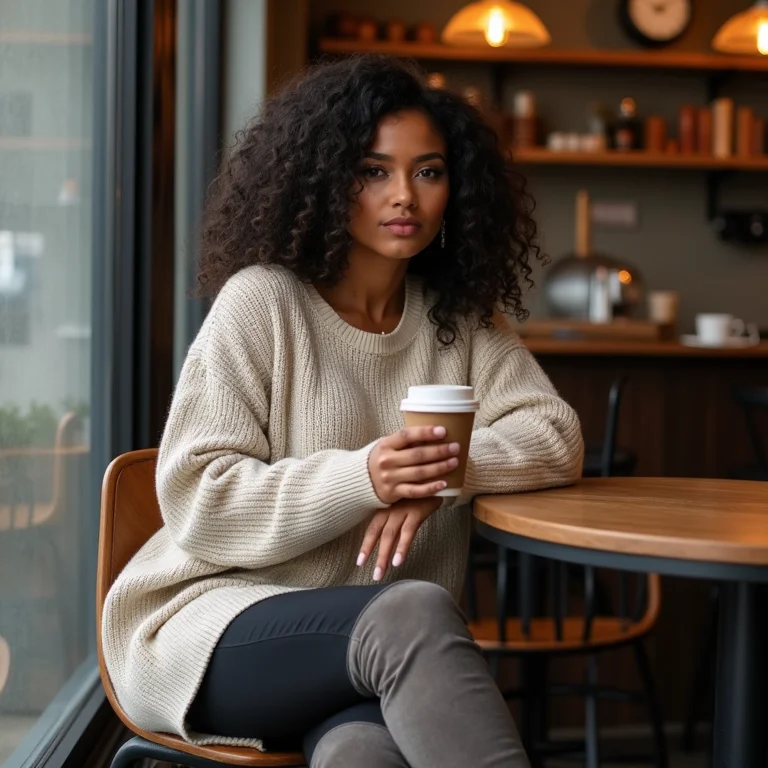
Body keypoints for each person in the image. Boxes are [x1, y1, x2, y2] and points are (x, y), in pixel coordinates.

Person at [101, 54, 583, 768]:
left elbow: (555, 434)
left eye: (428, 171)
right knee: (414, 609)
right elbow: (199, 497)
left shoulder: (461, 318)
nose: (404, 198)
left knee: (362, 756)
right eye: (372, 171)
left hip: (359, 653)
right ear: (325, 180)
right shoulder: (262, 302)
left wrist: (436, 474)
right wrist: (366, 478)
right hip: (210, 626)